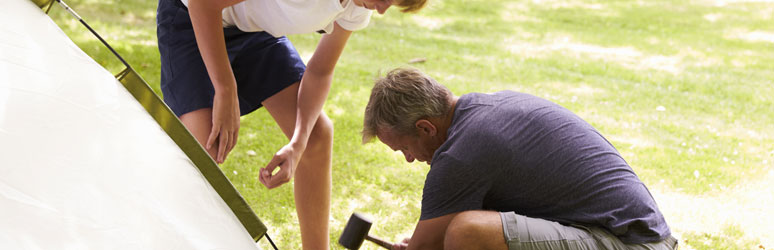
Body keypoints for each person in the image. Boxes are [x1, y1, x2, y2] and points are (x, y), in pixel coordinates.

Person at [156, 0, 426, 248]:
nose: (381, 10)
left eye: (392, 4)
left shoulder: (358, 6)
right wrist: (225, 89)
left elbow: (320, 71)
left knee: (316, 136)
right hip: (191, 18)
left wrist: (298, 142)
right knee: (205, 151)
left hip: (251, 30)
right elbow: (203, 4)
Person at [361, 68, 678, 250]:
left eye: (404, 149)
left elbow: (428, 246)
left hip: (632, 244)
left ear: (426, 128)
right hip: (636, 234)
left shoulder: (460, 154)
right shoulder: (487, 110)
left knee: (467, 232)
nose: (409, 160)